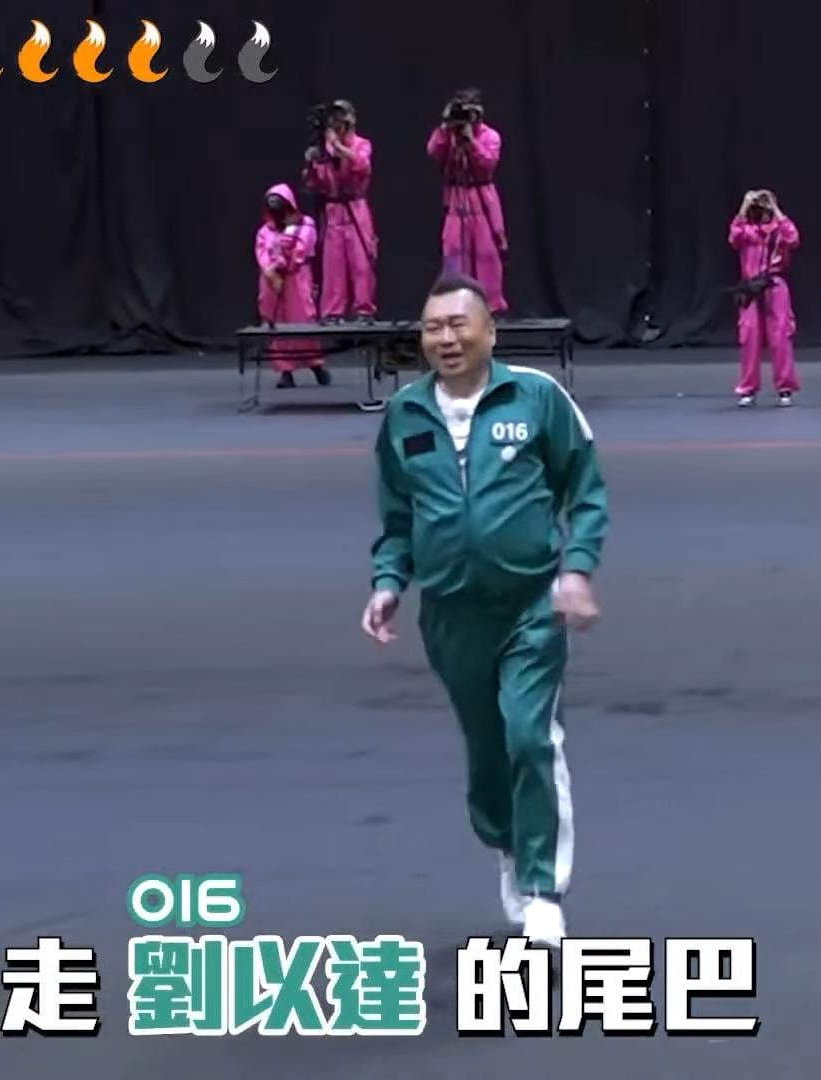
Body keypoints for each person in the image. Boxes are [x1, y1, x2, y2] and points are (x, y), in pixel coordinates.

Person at [362, 273, 608, 947]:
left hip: (531, 605)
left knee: (530, 736)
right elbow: (396, 518)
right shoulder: (404, 416)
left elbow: (586, 490)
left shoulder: (536, 398)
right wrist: (388, 583)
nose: (445, 338)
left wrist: (576, 570)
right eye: (432, 327)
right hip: (451, 616)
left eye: (458, 324)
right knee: (487, 750)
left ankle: (542, 887)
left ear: (490, 332)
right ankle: (508, 843)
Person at [428, 89, 508, 314]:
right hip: (456, 197)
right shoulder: (449, 135)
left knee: (486, 253)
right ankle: (454, 301)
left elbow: (487, 163)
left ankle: (490, 305)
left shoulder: (490, 136)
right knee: (453, 248)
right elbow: (433, 151)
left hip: (481, 197)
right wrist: (445, 127)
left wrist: (471, 141)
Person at [302, 100, 379, 322]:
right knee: (333, 264)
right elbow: (313, 184)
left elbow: (362, 165)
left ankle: (364, 309)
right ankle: (332, 312)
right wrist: (311, 164)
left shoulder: (361, 144)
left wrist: (339, 148)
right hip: (334, 209)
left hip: (356, 207)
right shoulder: (324, 150)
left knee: (361, 261)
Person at [255, 183, 331, 387]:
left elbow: (301, 249)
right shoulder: (264, 231)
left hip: (296, 279)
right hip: (272, 283)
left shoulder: (305, 225)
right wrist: (270, 272)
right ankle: (285, 371)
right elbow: (262, 254)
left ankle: (316, 365)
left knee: (303, 321)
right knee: (277, 325)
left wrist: (282, 264)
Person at [728, 189, 800, 407]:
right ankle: (748, 388)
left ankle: (785, 387)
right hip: (751, 288)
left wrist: (775, 208)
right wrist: (744, 206)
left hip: (774, 285)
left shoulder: (778, 232)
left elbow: (793, 238)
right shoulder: (747, 232)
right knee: (749, 337)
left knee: (780, 337)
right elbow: (733, 237)